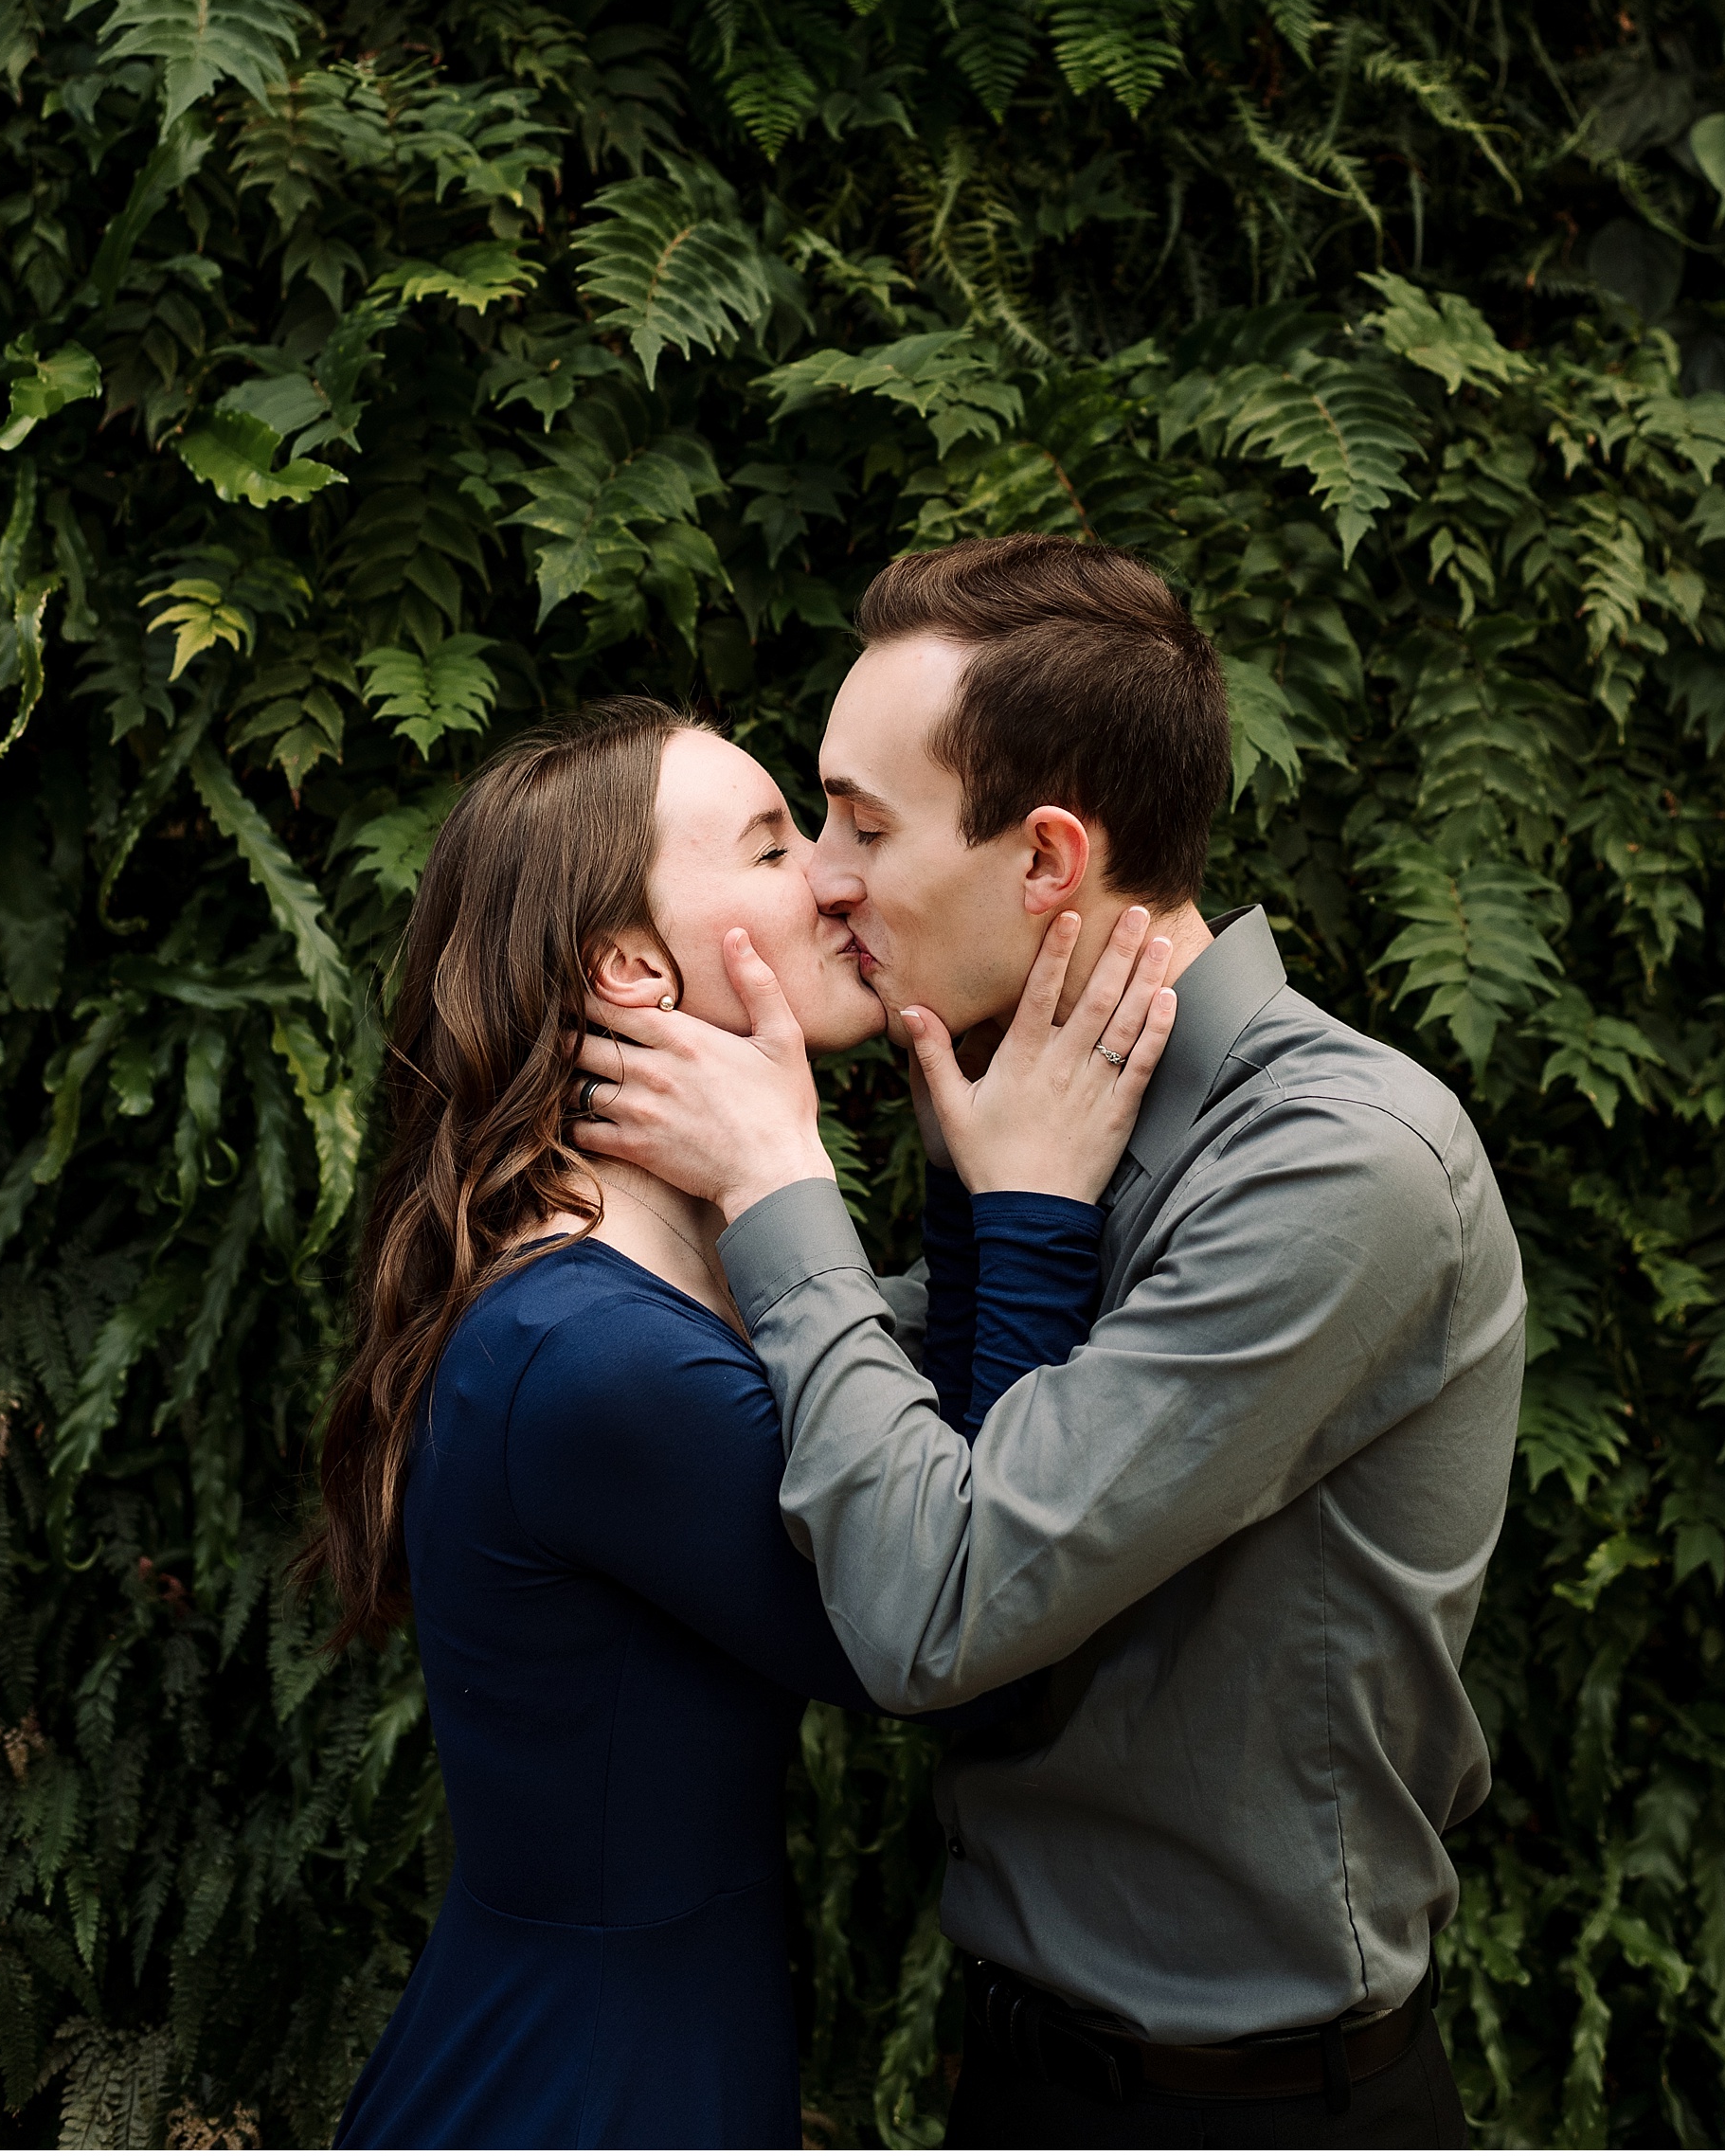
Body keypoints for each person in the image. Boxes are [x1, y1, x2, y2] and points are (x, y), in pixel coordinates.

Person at [571, 537, 1528, 2151]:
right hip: (1019, 2085)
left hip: (1250, 2115)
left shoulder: (1337, 1164)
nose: (820, 877)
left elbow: (939, 1603)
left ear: (1047, 861)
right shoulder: (1034, 1125)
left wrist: (781, 1189)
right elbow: (865, 1428)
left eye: (864, 826)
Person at [307, 694, 1178, 2152]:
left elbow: (931, 1459)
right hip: (583, 2092)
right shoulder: (586, 1359)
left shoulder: (636, 1294)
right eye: (773, 848)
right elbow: (965, 1642)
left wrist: (974, 1168)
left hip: (638, 2045)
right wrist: (1026, 1213)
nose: (834, 878)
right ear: (633, 967)